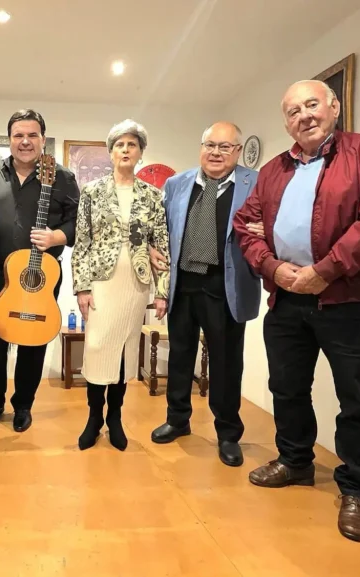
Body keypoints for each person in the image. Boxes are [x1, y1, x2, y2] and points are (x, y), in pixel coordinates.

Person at [232, 79, 360, 542]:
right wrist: (274, 268)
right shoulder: (273, 170)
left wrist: (326, 270)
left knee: (359, 398)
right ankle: (294, 461)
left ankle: (357, 488)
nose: (303, 116)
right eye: (292, 111)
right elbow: (246, 226)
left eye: (311, 104)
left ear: (334, 106)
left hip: (352, 299)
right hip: (288, 298)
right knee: (287, 388)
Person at [147, 122, 262, 469]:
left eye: (225, 147)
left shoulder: (254, 184)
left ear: (238, 151)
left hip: (224, 287)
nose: (216, 153)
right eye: (210, 145)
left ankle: (228, 433)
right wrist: (153, 248)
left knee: (227, 363)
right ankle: (178, 419)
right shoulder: (176, 184)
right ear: (201, 147)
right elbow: (160, 228)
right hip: (183, 284)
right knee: (180, 355)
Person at [0, 109, 80, 433]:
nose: (25, 141)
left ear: (43, 139)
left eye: (32, 135)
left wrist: (56, 237)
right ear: (9, 139)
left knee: (33, 341)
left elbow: (79, 223)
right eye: (18, 135)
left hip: (40, 274)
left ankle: (23, 405)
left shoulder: (62, 177)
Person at [70, 120, 170, 451]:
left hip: (135, 283)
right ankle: (93, 417)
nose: (125, 150)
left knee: (126, 352)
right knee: (98, 348)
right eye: (119, 145)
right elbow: (81, 241)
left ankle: (115, 418)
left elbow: (162, 245)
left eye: (132, 145)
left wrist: (161, 290)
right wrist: (81, 287)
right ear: (111, 152)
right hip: (101, 283)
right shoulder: (92, 192)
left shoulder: (153, 195)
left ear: (140, 153)